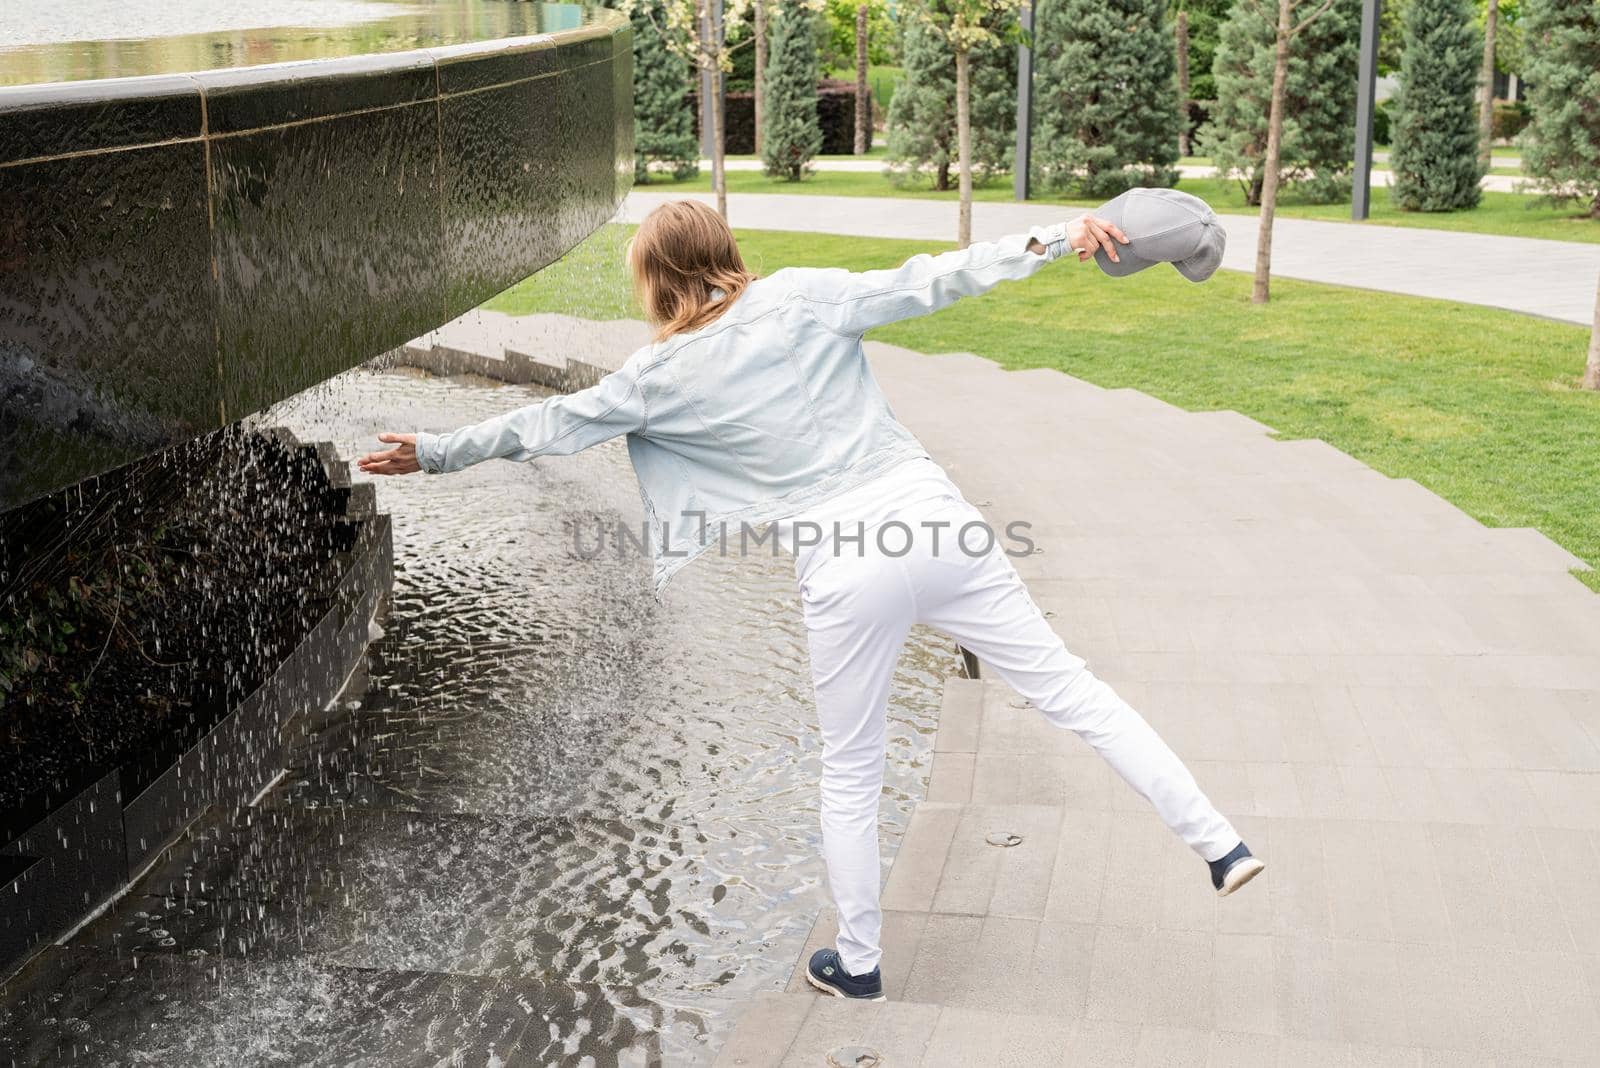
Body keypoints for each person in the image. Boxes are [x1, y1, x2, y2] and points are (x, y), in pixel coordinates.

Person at [358, 199, 1263, 1004]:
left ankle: (859, 963)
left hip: (843, 562)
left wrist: (433, 453)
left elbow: (545, 426)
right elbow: (935, 279)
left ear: (654, 281)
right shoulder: (798, 295)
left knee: (850, 767)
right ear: (724, 250)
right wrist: (1058, 235)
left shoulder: (653, 378)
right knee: (1071, 690)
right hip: (933, 521)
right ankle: (1218, 843)